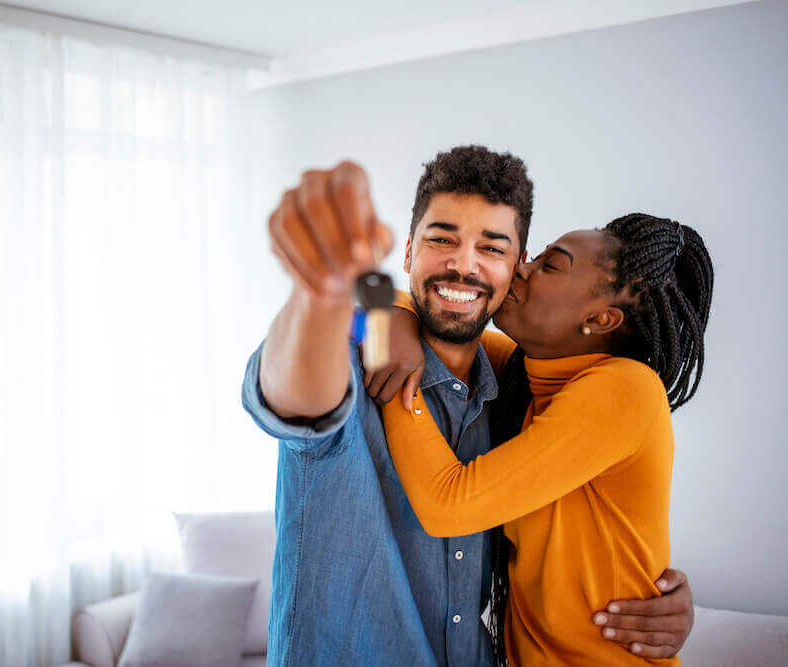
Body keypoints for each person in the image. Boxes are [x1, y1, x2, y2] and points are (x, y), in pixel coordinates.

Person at [242, 147, 695, 666]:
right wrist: (332, 299)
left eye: (497, 249)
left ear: (512, 269)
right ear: (408, 252)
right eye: (442, 239)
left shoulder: (567, 387)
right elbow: (293, 387)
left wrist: (675, 602)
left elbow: (453, 506)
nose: (465, 263)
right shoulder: (391, 352)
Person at [377, 213, 712, 665]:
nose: (518, 266)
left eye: (550, 266)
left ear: (600, 318)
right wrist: (395, 317)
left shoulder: (625, 388)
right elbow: (402, 309)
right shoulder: (525, 377)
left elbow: (446, 505)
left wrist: (398, 375)